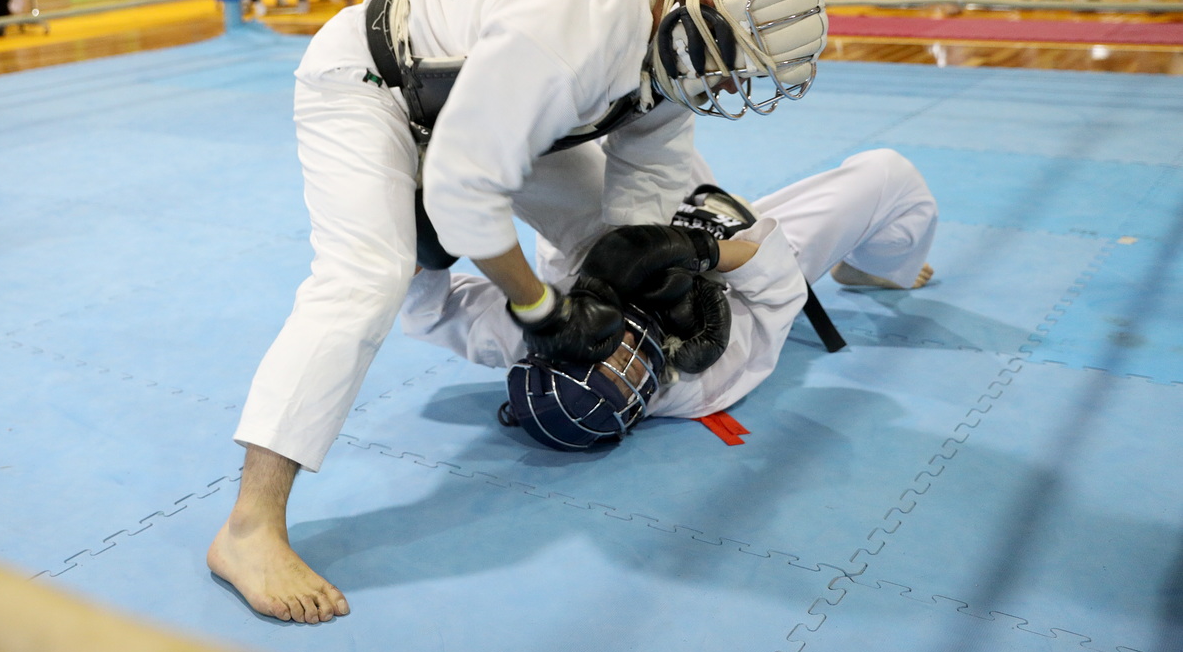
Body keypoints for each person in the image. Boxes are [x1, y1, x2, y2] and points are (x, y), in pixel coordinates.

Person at [207, 0, 830, 624]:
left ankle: (428, 237)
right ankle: (248, 529)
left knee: (597, 238)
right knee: (367, 277)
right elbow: (462, 187)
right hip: (373, 82)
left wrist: (663, 282)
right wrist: (541, 310)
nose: (725, 85)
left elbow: (638, 211)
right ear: (705, 11)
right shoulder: (583, 26)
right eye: (731, 63)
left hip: (478, 101)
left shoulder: (666, 46)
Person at [401, 149, 936, 448]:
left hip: (591, 249)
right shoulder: (706, 377)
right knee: (891, 175)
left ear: (552, 353)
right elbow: (777, 290)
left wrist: (422, 250)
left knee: (522, 142)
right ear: (639, 404)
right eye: (627, 375)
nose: (623, 356)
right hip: (727, 251)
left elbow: (430, 314)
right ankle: (874, 269)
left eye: (603, 360)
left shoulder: (526, 340)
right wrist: (698, 250)